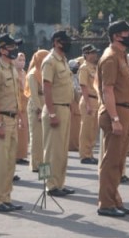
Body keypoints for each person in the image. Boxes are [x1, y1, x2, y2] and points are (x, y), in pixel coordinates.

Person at [96, 21, 129, 217]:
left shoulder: (121, 56)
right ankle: (106, 204)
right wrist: (114, 118)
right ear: (115, 36)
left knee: (119, 163)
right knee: (111, 162)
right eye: (126, 32)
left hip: (124, 111)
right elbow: (107, 90)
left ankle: (114, 200)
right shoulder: (111, 58)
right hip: (116, 112)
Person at [0, 34, 23, 212]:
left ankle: (5, 197)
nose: (14, 49)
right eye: (11, 47)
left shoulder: (11, 68)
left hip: (12, 118)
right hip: (0, 119)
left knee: (9, 163)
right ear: (2, 50)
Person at [41, 31, 75, 196]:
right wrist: (52, 113)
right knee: (50, 150)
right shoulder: (50, 61)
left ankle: (59, 183)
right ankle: (48, 184)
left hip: (64, 108)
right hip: (54, 108)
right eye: (64, 41)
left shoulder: (63, 61)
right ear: (56, 42)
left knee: (61, 151)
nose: (68, 44)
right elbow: (46, 88)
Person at [26, 49, 48, 174]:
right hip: (36, 106)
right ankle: (36, 164)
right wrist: (40, 110)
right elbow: (33, 95)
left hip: (44, 103)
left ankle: (43, 163)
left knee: (45, 138)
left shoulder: (44, 72)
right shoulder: (33, 74)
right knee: (37, 137)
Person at [77, 45, 100, 165]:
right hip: (88, 100)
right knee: (86, 129)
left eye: (95, 53)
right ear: (86, 54)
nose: (95, 55)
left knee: (93, 129)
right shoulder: (84, 68)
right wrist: (87, 104)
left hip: (96, 100)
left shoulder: (95, 68)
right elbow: (83, 86)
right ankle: (84, 155)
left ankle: (90, 153)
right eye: (92, 53)